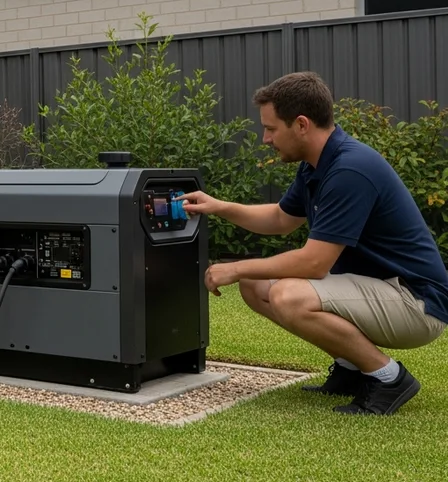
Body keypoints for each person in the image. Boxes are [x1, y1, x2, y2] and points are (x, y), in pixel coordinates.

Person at [177, 71, 448, 416]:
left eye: (271, 129)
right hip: (383, 288)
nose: (265, 139)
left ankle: (388, 377)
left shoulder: (349, 170)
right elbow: (280, 219)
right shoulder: (317, 165)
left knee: (288, 296)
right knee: (255, 285)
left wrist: (234, 267)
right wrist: (218, 206)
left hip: (416, 303)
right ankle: (352, 369)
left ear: (301, 124)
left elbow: (313, 263)